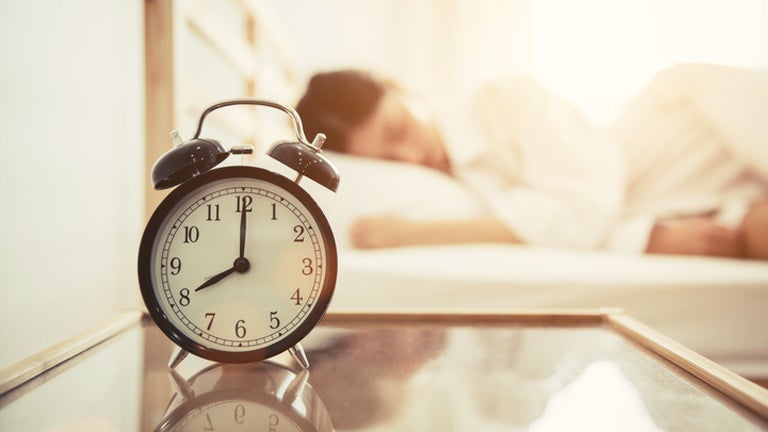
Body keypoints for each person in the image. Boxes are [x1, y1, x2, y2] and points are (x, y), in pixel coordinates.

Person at [295, 67, 768, 259]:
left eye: (398, 131)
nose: (410, 157)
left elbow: (583, 208)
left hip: (694, 129)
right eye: (387, 160)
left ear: (401, 90)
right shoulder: (462, 186)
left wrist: (415, 235)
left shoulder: (503, 100)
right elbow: (566, 217)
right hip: (683, 197)